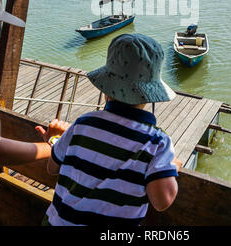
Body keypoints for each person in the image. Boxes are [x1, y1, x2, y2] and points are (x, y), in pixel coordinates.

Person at [43, 33, 182, 226]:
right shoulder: (157, 143)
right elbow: (162, 201)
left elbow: (52, 168)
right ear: (150, 94)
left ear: (106, 87)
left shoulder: (83, 124)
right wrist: (171, 166)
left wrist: (55, 141)